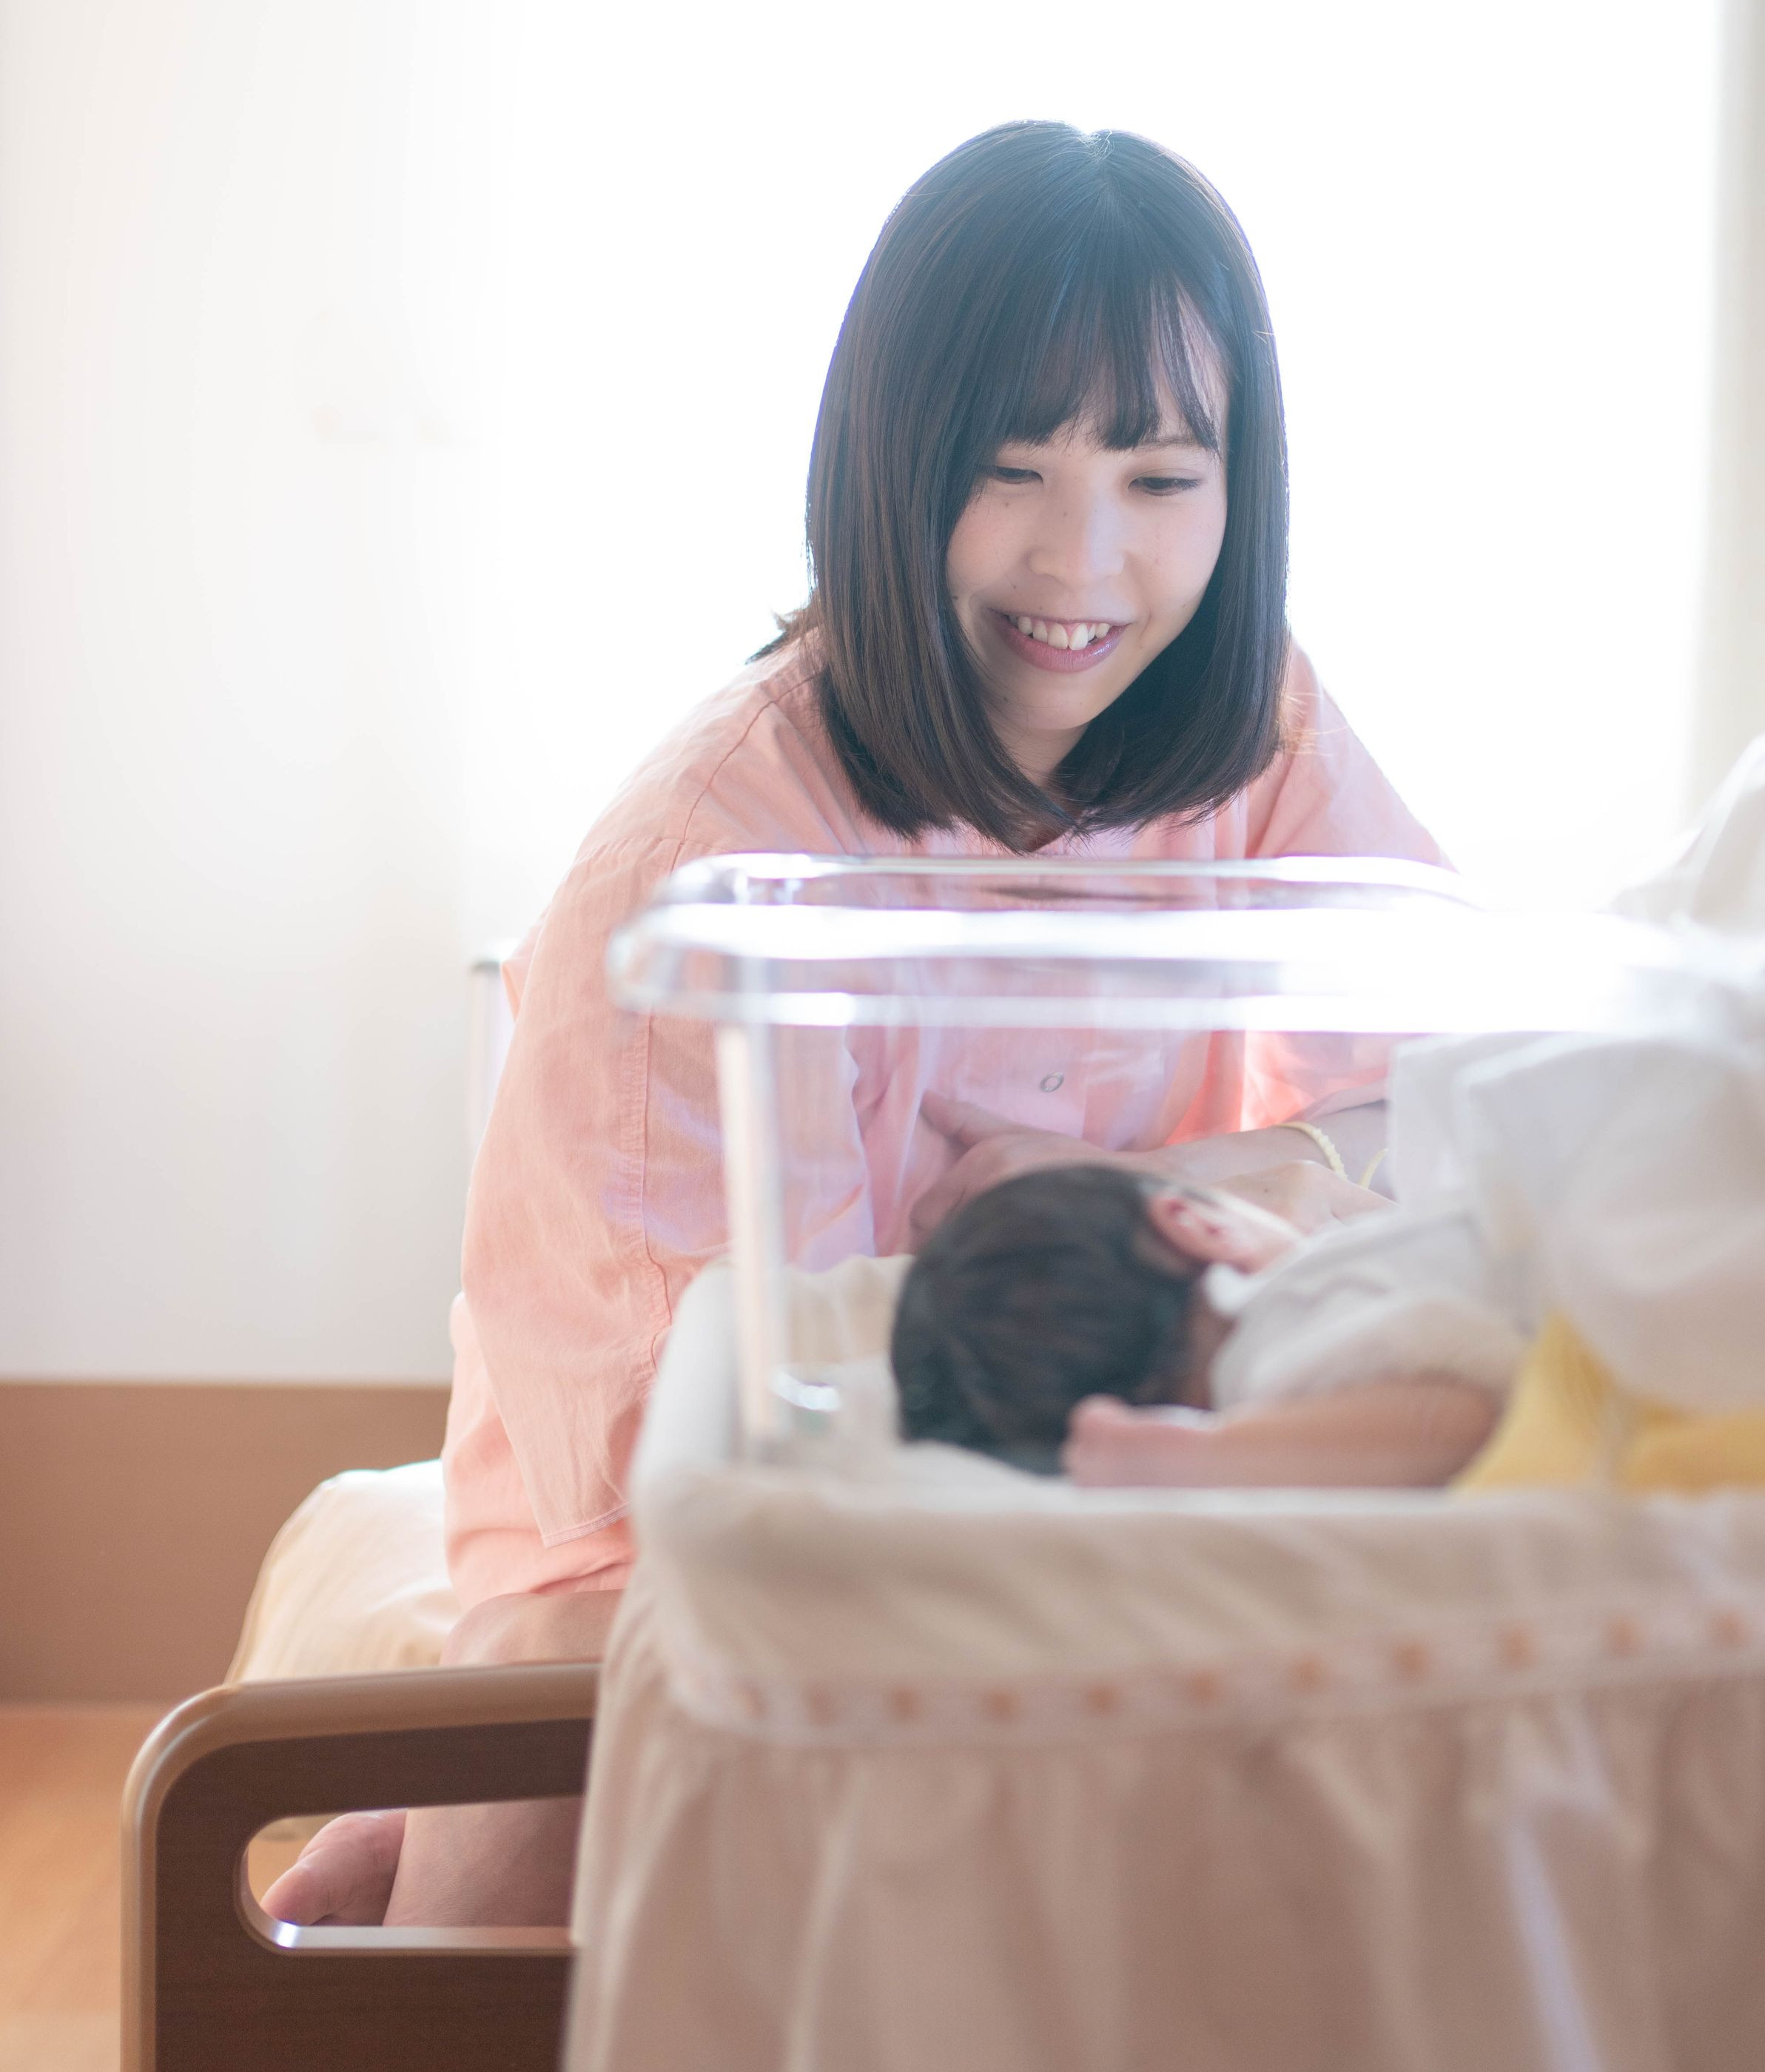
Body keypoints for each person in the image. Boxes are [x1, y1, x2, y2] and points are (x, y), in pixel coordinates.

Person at [266, 119, 1442, 1930]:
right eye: (1009, 467)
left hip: (1109, 1419)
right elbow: (732, 1432)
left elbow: (1457, 1099)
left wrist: (1158, 1190)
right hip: (687, 1501)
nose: (1082, 559)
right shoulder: (712, 860)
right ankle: (411, 1869)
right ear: (890, 469)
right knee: (579, 1837)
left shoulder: (1257, 730)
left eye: (1157, 475)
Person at [892, 1163, 1501, 1486]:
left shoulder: (1288, 1328)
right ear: (1201, 1225)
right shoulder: (1279, 1318)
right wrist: (1214, 1457)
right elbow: (1452, 1422)